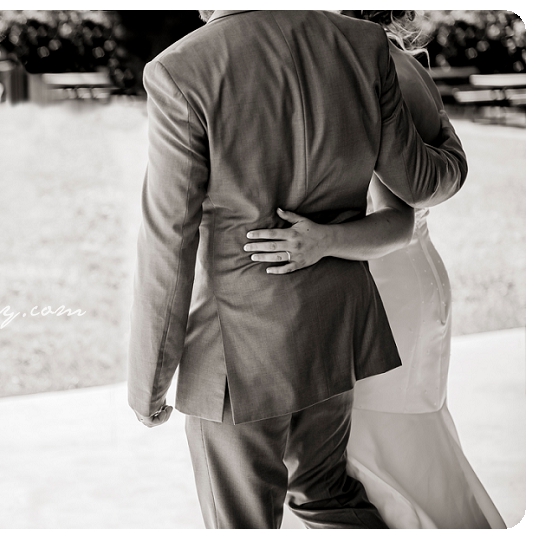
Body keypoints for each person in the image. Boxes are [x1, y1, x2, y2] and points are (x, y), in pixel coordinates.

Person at [127, 10, 467, 529]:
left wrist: (149, 381)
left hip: (237, 350)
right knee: (327, 496)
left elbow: (168, 238)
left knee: (240, 521)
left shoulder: (181, 68)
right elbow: (419, 185)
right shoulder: (362, 43)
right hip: (332, 331)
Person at [243, 10, 506, 528]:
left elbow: (396, 220)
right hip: (395, 278)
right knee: (370, 452)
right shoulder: (380, 59)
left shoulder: (375, 66)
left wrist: (317, 240)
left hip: (385, 281)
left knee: (374, 454)